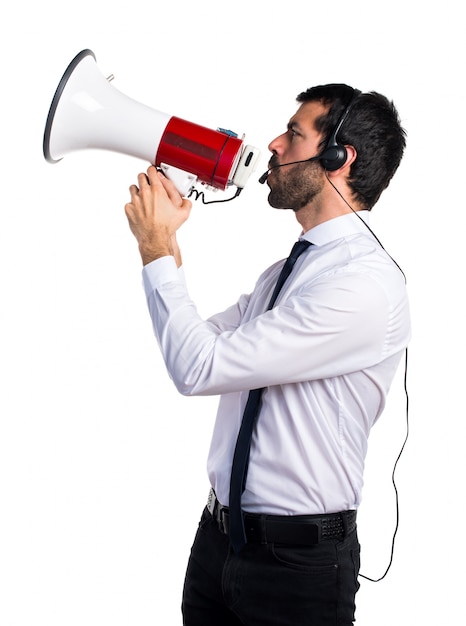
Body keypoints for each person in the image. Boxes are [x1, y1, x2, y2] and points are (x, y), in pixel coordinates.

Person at [124, 83, 410, 626]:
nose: (274, 144)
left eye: (295, 133)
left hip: (296, 567)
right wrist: (167, 244)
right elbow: (199, 347)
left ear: (336, 158)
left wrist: (157, 250)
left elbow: (197, 368)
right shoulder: (285, 274)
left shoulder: (361, 286)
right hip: (219, 542)